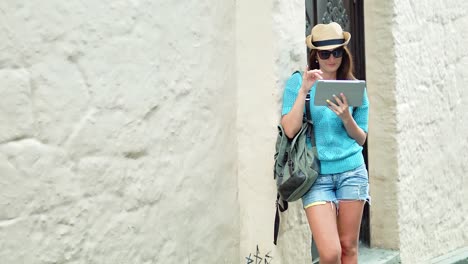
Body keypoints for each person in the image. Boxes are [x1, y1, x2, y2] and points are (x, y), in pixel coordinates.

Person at [280, 22, 370, 264]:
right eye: (325, 53)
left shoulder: (354, 88)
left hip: (352, 172)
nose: (332, 58)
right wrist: (303, 92)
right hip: (316, 175)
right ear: (315, 55)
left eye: (337, 52)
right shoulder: (299, 82)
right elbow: (289, 129)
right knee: (330, 254)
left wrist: (346, 117)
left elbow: (361, 138)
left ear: (344, 52)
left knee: (348, 248)